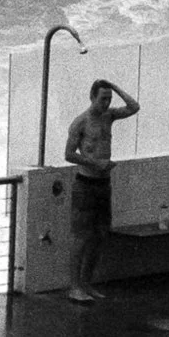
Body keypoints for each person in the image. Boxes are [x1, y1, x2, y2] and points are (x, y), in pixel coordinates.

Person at [63, 77, 139, 303]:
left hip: (103, 183)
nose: (106, 103)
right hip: (85, 184)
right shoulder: (81, 122)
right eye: (102, 98)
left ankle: (87, 282)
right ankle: (74, 286)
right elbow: (69, 154)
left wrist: (114, 86)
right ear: (92, 97)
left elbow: (134, 107)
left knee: (100, 235)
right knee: (81, 236)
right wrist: (95, 163)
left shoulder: (109, 116)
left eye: (109, 99)